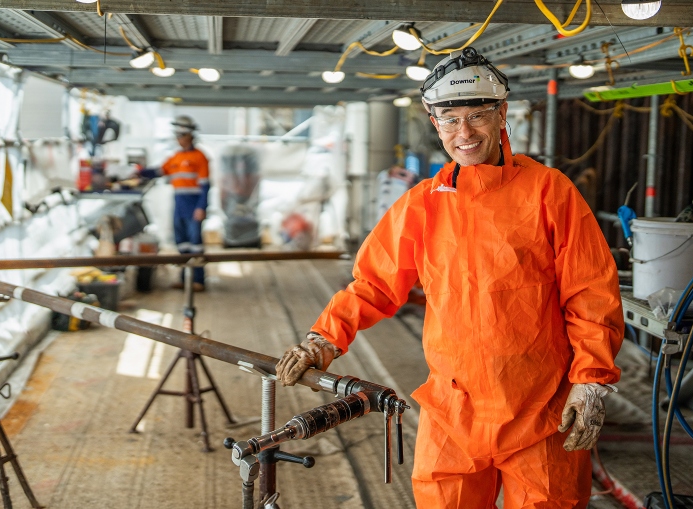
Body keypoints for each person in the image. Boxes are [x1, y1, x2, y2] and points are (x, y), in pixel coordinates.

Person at [275, 47, 623, 508]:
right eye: (451, 119)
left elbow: (590, 291)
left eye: (477, 116)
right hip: (453, 413)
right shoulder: (423, 203)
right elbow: (374, 285)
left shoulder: (549, 192)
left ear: (501, 114)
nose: (465, 133)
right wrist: (323, 339)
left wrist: (591, 379)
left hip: (542, 413)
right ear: (434, 122)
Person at [143, 115, 210, 291]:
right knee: (182, 243)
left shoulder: (200, 157)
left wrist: (201, 207)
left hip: (193, 203)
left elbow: (205, 185)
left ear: (189, 135)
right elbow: (159, 171)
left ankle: (198, 280)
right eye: (177, 136)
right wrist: (137, 172)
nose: (179, 139)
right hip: (179, 203)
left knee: (195, 243)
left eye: (181, 136)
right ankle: (184, 278)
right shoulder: (176, 157)